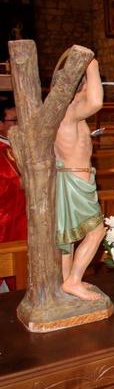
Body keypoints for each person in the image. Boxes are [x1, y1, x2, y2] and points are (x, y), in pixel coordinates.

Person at [53, 59, 106, 301]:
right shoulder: (70, 110)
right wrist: (92, 66)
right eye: (85, 83)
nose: (88, 87)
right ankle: (73, 280)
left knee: (70, 236)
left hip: (70, 178)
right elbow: (96, 101)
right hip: (76, 181)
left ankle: (67, 281)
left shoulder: (62, 112)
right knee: (96, 232)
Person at [0, 100, 26, 293]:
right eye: (14, 120)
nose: (20, 124)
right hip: (7, 222)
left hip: (22, 221)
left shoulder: (17, 146)